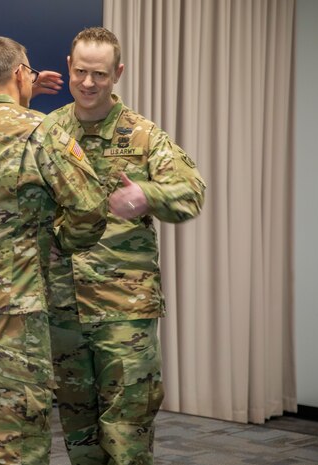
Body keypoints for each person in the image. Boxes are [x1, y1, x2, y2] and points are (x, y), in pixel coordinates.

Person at [0, 36, 108, 465]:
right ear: (17, 74)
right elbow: (91, 208)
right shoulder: (43, 133)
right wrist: (57, 244)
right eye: (27, 71)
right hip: (16, 301)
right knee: (18, 433)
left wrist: (15, 89)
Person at [45, 27, 206, 465]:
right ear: (69, 66)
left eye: (99, 73)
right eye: (80, 71)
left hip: (124, 310)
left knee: (127, 428)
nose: (88, 83)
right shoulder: (50, 131)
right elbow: (24, 202)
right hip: (64, 307)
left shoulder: (142, 134)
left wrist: (146, 196)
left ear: (117, 73)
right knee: (78, 430)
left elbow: (192, 193)